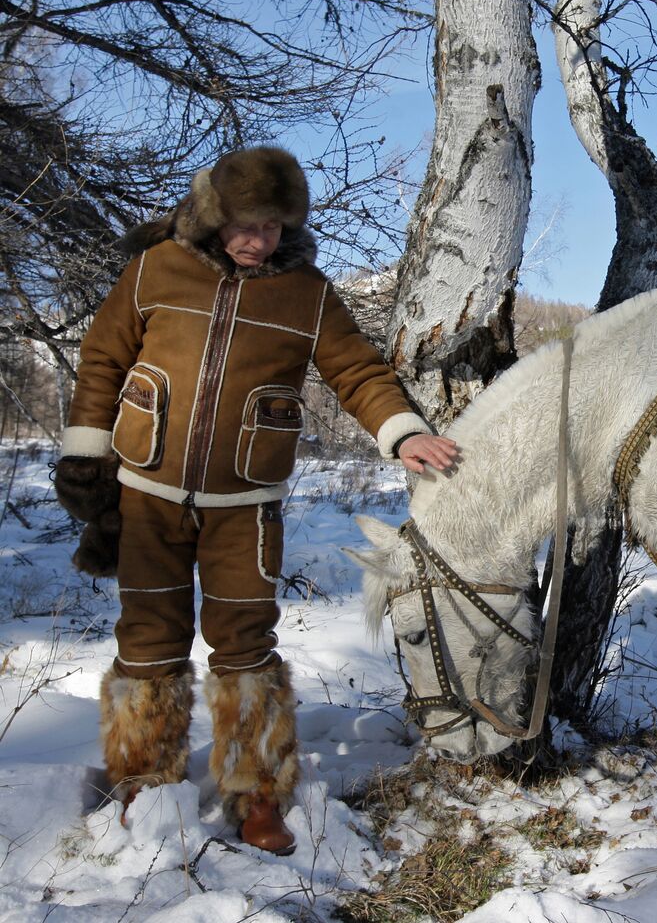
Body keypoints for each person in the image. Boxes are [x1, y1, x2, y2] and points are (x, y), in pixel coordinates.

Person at [53, 146, 457, 855]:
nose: (256, 240)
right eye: (244, 224)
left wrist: (403, 434)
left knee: (246, 649)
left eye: (271, 227)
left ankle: (258, 794)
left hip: (247, 503)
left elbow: (357, 371)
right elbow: (101, 359)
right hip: (147, 491)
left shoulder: (307, 292)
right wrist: (86, 454)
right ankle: (146, 781)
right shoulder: (155, 269)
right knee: (148, 641)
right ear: (215, 215)